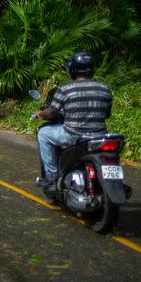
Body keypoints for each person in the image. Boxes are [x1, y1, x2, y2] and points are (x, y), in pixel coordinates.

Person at [34, 51, 113, 195]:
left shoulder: (65, 89)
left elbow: (51, 112)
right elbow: (106, 114)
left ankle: (51, 176)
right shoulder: (105, 89)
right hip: (99, 136)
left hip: (73, 135)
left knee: (43, 133)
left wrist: (41, 114)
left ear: (72, 69)